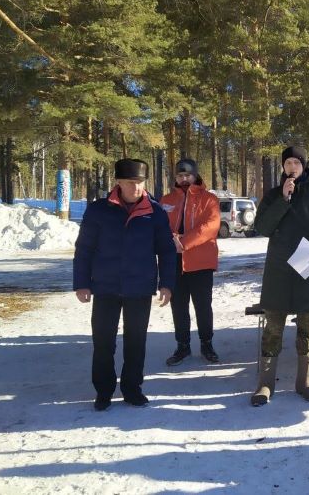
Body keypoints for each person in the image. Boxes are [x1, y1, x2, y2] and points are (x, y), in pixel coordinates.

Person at [74, 158, 177, 411]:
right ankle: (104, 391)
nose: (136, 188)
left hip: (139, 287)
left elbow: (166, 251)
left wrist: (167, 284)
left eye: (140, 182)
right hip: (105, 286)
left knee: (136, 341)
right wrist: (82, 283)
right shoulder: (98, 210)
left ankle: (132, 389)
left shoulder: (155, 213)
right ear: (118, 182)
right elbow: (84, 249)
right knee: (103, 341)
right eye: (131, 182)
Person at [251, 146, 309, 406]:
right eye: (287, 162)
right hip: (278, 272)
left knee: (308, 328)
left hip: (308, 271)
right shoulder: (272, 196)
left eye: (296, 163)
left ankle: (305, 382)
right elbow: (262, 227)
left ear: (304, 166)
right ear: (282, 167)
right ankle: (265, 384)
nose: (291, 167)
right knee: (273, 329)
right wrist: (283, 199)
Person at [160, 158, 221, 366]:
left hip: (201, 261)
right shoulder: (166, 200)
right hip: (174, 262)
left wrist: (184, 242)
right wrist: (170, 241)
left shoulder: (209, 199)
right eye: (180, 175)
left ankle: (207, 343)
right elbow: (159, 226)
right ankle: (182, 346)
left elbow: (210, 226)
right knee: (178, 306)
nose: (184, 179)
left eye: (187, 175)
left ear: (195, 176)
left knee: (203, 306)